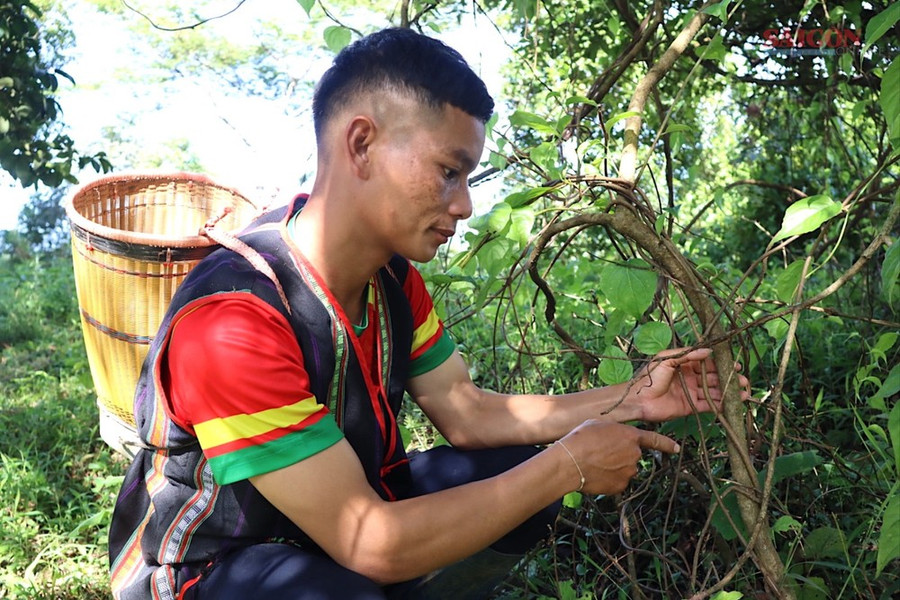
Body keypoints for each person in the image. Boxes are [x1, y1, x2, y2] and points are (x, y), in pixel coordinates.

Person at [108, 27, 749, 600]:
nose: (465, 204)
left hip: (324, 529)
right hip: (208, 567)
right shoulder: (233, 323)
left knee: (513, 483)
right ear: (361, 143)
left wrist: (632, 398)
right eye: (449, 171)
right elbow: (371, 543)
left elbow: (468, 413)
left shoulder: (392, 280)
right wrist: (568, 464)